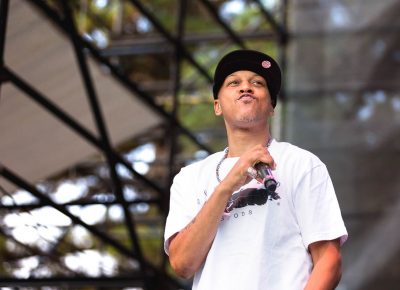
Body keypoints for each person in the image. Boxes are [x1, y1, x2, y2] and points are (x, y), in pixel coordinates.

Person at [164, 49, 348, 290]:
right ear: (217, 106)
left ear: (271, 106)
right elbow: (183, 264)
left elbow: (329, 260)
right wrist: (229, 183)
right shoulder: (189, 178)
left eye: (257, 83)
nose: (245, 87)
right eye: (234, 82)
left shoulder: (301, 163)